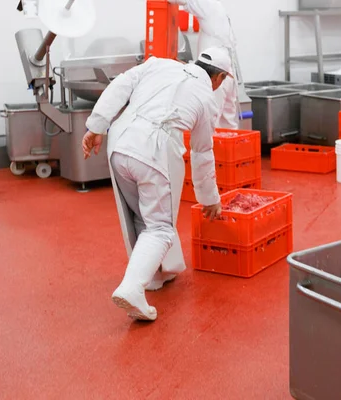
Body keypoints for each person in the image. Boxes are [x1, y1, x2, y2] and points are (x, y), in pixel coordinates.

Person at [81, 47, 233, 322]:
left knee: (141, 213)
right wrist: (210, 198)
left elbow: (121, 84)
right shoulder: (207, 99)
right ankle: (132, 287)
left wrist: (96, 126)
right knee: (161, 227)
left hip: (119, 143)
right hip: (154, 149)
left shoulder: (159, 64)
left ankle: (154, 278)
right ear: (220, 77)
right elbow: (202, 153)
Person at [170, 0, 240, 129]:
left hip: (215, 74)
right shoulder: (219, 9)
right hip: (227, 71)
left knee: (211, 120)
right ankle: (227, 148)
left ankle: (216, 148)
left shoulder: (210, 5)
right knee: (227, 122)